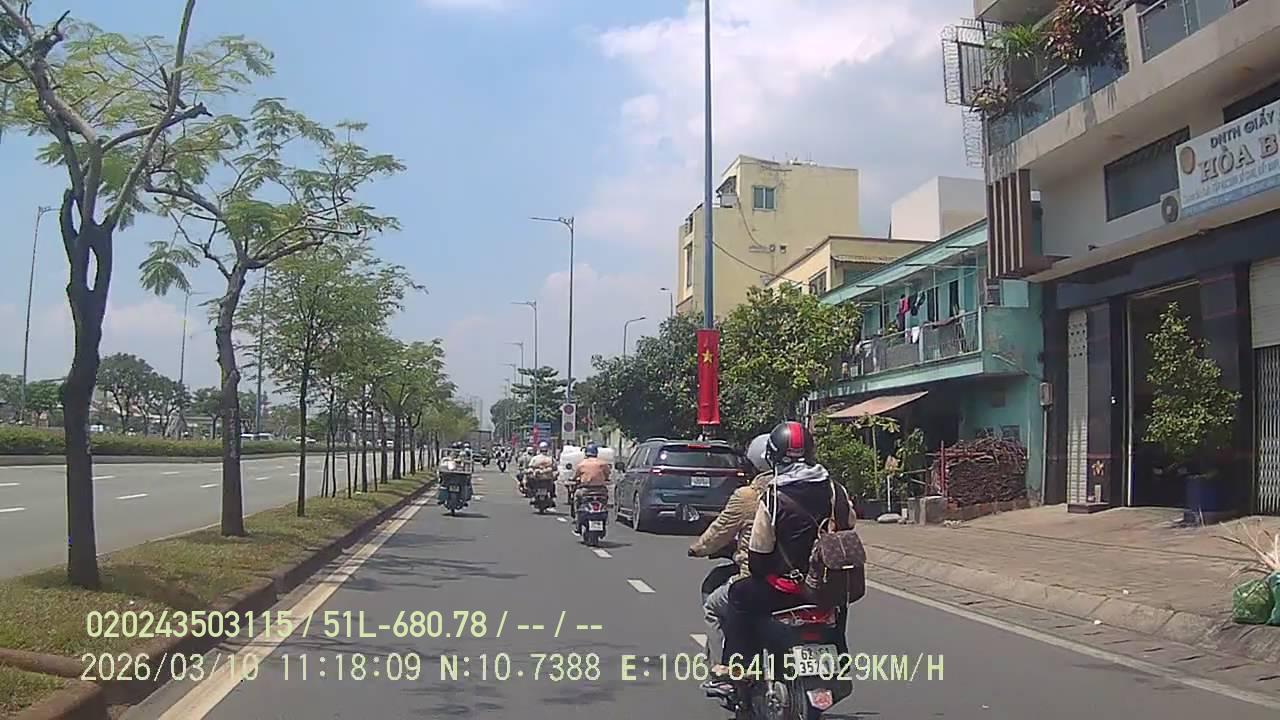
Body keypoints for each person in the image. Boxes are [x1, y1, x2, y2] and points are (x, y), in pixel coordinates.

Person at [718, 421, 854, 677]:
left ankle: (740, 665)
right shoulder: (835, 489)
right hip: (826, 586)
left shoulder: (773, 495)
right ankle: (840, 657)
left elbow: (758, 553)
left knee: (739, 593)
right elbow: (849, 524)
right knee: (838, 602)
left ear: (773, 456)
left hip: (786, 590)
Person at [688, 433, 772, 692]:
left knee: (713, 606)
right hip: (809, 581)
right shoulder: (819, 489)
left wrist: (698, 548)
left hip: (758, 580)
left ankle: (720, 671)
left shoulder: (749, 496)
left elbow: (719, 531)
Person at [569, 443, 611, 523]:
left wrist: (573, 479)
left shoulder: (581, 464)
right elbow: (607, 474)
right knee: (604, 500)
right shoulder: (603, 463)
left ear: (586, 453)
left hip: (585, 490)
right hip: (601, 490)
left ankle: (577, 517)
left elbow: (575, 476)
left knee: (576, 498)